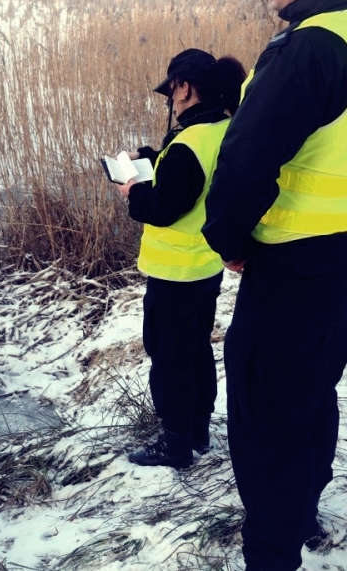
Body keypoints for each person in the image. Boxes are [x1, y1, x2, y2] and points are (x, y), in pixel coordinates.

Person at [201, 0, 347, 569]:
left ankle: (271, 550)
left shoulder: (308, 48)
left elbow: (244, 161)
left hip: (291, 269)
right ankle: (305, 507)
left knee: (264, 422)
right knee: (312, 392)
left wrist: (226, 238)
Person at [117, 48, 246, 468]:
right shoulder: (224, 128)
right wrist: (155, 159)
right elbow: (193, 179)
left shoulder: (190, 141)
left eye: (171, 91)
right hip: (205, 266)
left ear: (185, 87)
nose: (170, 100)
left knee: (170, 357)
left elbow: (161, 207)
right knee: (195, 349)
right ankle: (198, 430)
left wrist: (133, 189)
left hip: (174, 273)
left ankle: (174, 444)